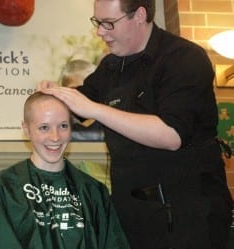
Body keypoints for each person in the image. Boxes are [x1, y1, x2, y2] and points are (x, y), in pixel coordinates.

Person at [38, 0, 233, 249]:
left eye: (109, 23)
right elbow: (78, 104)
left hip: (187, 216)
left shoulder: (184, 59)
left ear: (139, 15)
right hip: (131, 214)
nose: (100, 32)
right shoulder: (110, 67)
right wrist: (50, 98)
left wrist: (95, 109)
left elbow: (171, 134)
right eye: (98, 23)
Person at [0, 92, 130, 249]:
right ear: (27, 129)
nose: (55, 137)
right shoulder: (3, 189)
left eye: (63, 126)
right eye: (44, 127)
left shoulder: (93, 191)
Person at [60, 59, 105, 141]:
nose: (80, 96)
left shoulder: (106, 120)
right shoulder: (62, 121)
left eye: (90, 91)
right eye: (74, 91)